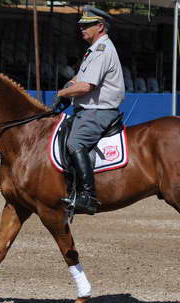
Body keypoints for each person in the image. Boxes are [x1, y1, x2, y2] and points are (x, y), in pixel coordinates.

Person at [52, 5, 125, 215]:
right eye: (81, 25)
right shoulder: (93, 50)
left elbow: (86, 87)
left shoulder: (103, 50)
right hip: (87, 109)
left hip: (99, 111)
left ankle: (87, 195)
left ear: (100, 27)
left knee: (75, 142)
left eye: (87, 25)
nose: (82, 28)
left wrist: (60, 94)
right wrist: (68, 87)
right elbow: (79, 79)